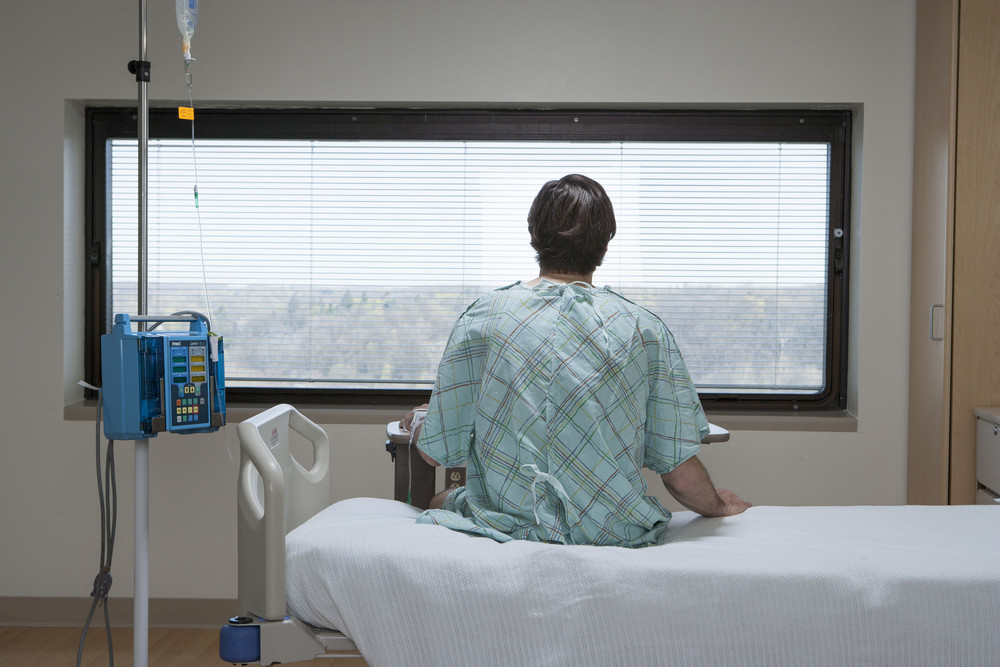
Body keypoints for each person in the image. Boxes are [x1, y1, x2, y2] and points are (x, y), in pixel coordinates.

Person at [401, 174, 749, 547]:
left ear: (534, 234)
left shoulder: (483, 317)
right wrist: (716, 506)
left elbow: (434, 453)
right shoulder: (643, 328)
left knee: (436, 503)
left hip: (511, 525)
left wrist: (426, 420)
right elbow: (678, 473)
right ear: (605, 242)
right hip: (611, 532)